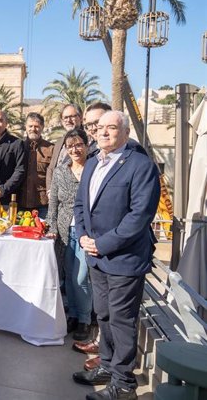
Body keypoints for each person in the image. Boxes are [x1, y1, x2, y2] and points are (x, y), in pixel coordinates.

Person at [72, 111, 160, 400]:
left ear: (125, 133)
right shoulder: (93, 162)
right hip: (96, 256)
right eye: (101, 128)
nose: (104, 132)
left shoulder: (140, 165)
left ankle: (123, 385)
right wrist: (83, 235)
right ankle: (108, 367)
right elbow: (80, 204)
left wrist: (103, 243)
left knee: (122, 320)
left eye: (112, 128)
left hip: (124, 259)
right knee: (105, 315)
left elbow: (139, 216)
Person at [48, 128, 93, 342]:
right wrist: (52, 228)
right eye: (70, 146)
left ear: (86, 145)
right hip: (65, 231)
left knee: (81, 277)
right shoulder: (60, 172)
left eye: (78, 145)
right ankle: (73, 315)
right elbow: (53, 203)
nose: (74, 149)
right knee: (68, 275)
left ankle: (84, 319)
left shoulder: (94, 169)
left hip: (88, 232)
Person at [18, 112, 53, 218]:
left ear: (42, 127)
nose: (33, 129)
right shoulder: (18, 147)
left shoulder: (51, 149)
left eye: (37, 126)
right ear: (26, 127)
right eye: (30, 126)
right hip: (20, 203)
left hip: (42, 205)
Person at [47, 104, 83, 194]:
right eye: (65, 118)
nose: (68, 120)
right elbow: (51, 168)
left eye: (71, 116)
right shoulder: (59, 142)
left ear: (81, 118)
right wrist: (50, 190)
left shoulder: (87, 141)